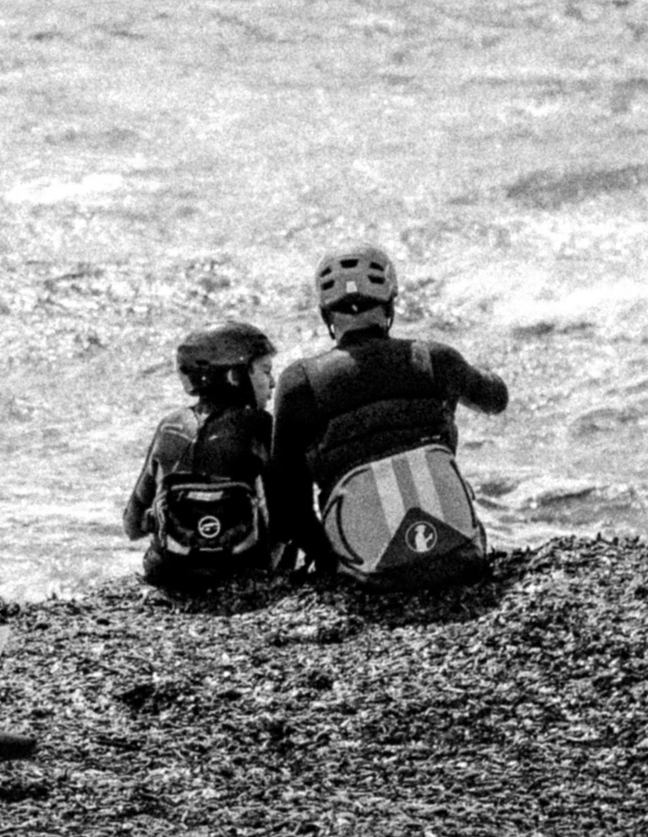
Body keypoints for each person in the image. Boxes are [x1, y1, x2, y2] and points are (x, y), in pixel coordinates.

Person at [269, 245, 506, 588]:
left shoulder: (299, 383)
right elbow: (496, 400)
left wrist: (329, 560)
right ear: (390, 304)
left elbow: (288, 505)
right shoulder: (435, 359)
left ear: (325, 314)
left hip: (367, 573)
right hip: (459, 556)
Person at [122, 322, 278, 593]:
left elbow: (132, 525)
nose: (273, 382)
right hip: (241, 570)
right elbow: (288, 514)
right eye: (266, 371)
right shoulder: (261, 425)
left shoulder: (169, 426)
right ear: (234, 376)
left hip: (169, 573)